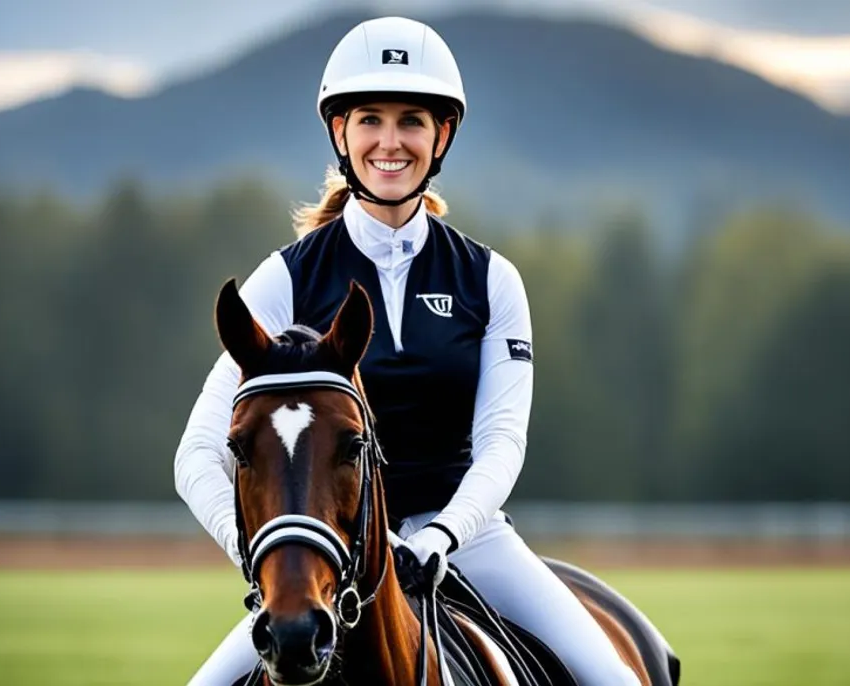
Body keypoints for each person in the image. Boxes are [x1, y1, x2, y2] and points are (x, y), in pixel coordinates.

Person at [173, 16, 641, 686]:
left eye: (411, 121)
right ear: (341, 132)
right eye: (370, 119)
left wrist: (440, 536)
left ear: (441, 135)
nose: (390, 142)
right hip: (328, 555)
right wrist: (270, 552)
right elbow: (196, 455)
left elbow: (503, 441)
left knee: (614, 679)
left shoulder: (490, 279)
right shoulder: (285, 279)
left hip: (469, 540)